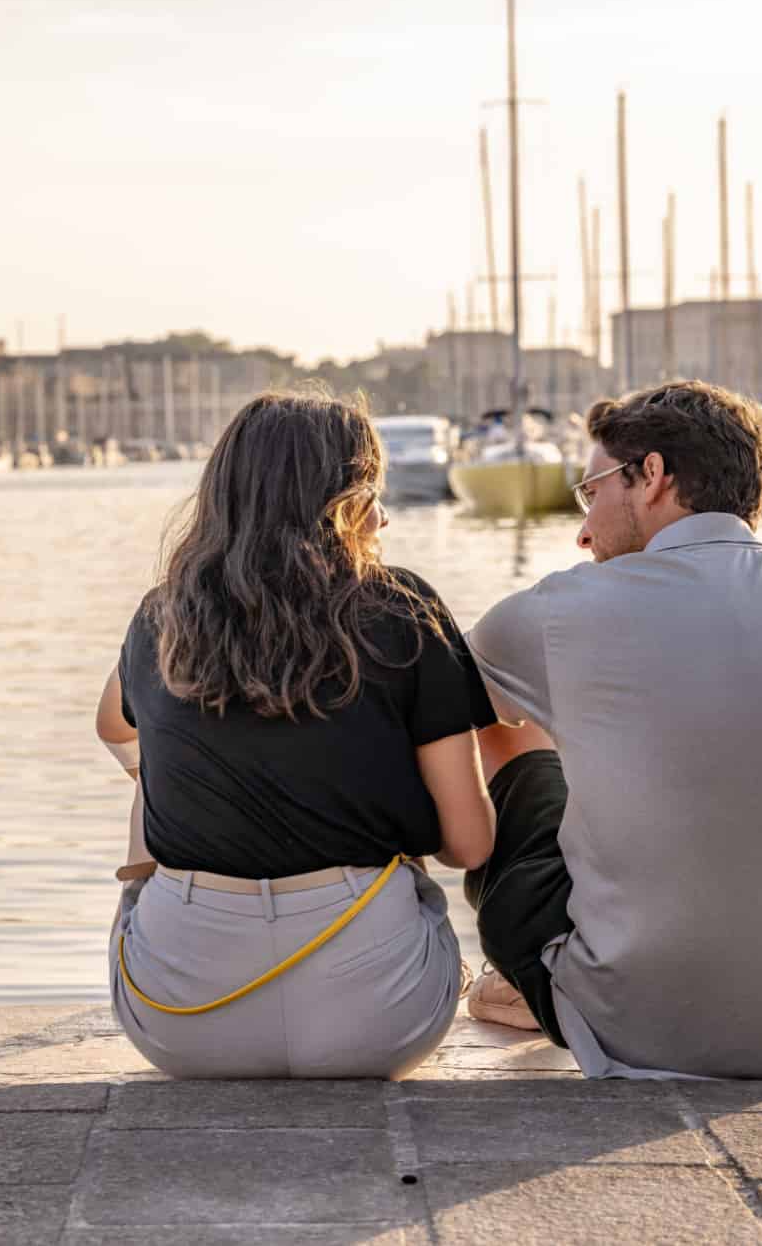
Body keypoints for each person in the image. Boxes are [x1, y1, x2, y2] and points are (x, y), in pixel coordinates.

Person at [464, 380, 762, 1079]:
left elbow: (432, 703)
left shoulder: (559, 610)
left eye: (592, 492)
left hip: (636, 1027)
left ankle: (527, 979)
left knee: (503, 728)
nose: (583, 529)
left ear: (652, 476)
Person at [96, 386, 499, 1079]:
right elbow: (469, 844)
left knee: (149, 789)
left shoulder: (164, 617)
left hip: (181, 1023)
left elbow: (112, 726)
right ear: (352, 498)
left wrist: (184, 780)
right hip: (379, 1020)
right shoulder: (405, 610)